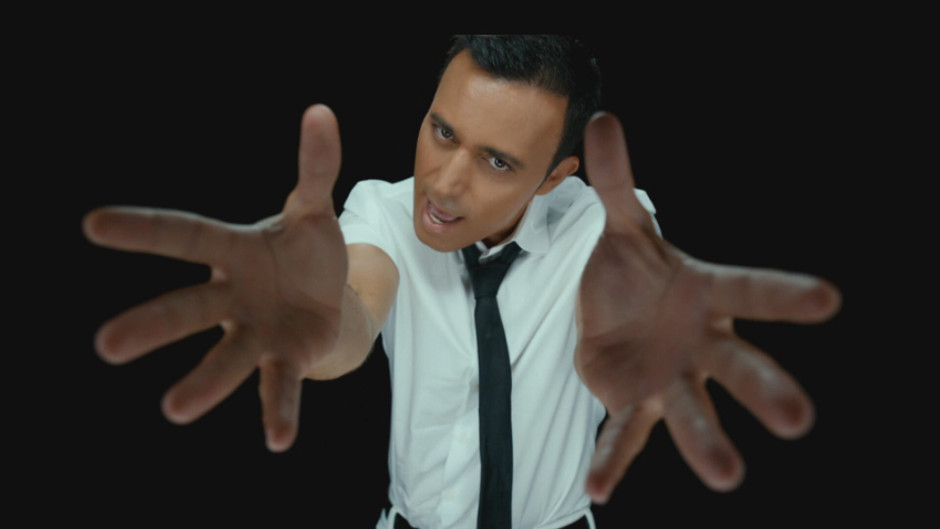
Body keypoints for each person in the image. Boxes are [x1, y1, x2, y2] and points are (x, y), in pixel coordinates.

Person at [83, 35, 841, 528]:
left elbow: (633, 309)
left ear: (556, 177)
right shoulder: (383, 209)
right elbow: (354, 314)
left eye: (497, 161)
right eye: (442, 132)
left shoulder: (607, 230)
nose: (443, 184)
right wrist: (312, 322)